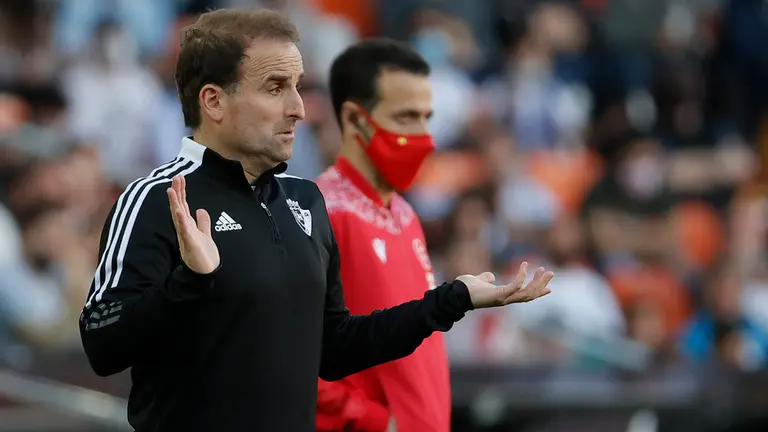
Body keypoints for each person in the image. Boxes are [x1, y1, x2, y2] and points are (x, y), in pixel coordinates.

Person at [78, 9, 554, 432]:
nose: (299, 108)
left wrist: (453, 300)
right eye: (274, 87)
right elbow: (102, 343)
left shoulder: (305, 201)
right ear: (213, 102)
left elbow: (335, 347)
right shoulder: (157, 197)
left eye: (298, 86)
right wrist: (189, 281)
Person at [312, 39, 453, 432]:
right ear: (355, 119)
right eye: (407, 117)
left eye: (427, 117)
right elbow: (285, 351)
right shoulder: (318, 213)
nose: (425, 137)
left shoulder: (407, 215)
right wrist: (373, 421)